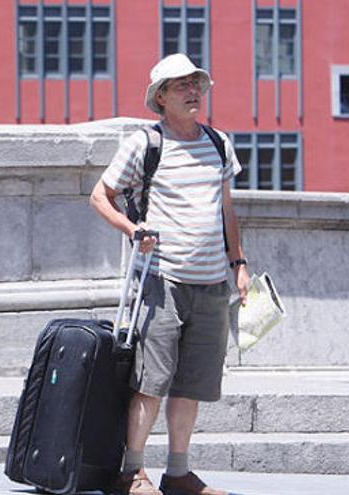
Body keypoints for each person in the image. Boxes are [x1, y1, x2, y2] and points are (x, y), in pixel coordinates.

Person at [89, 54, 250, 495]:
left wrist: (239, 264)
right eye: (181, 85)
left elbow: (227, 210)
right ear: (161, 96)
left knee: (192, 385)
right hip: (162, 280)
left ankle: (177, 473)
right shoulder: (145, 143)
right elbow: (100, 196)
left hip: (213, 281)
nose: (193, 90)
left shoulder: (218, 143)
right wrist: (132, 228)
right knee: (151, 382)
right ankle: (131, 472)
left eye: (196, 82)